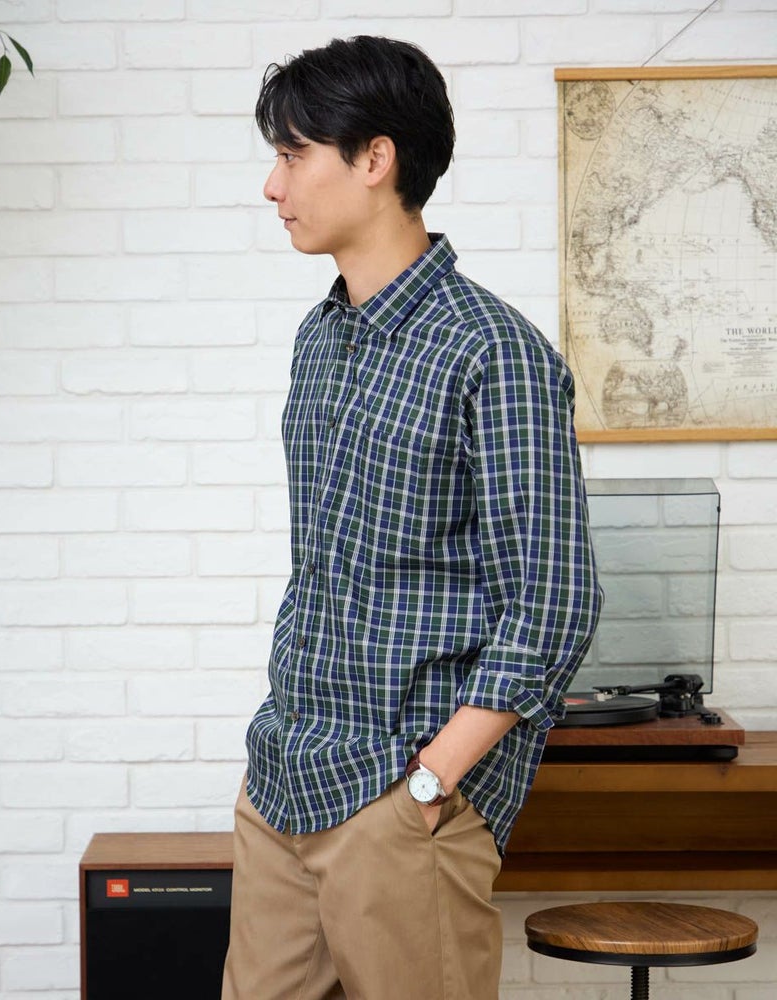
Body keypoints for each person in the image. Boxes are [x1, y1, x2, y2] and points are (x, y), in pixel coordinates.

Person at [221, 34, 602, 1000]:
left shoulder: (493, 352)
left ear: (375, 159)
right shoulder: (321, 339)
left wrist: (431, 782)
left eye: (293, 154)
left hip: (398, 795)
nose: (274, 185)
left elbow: (554, 602)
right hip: (283, 779)